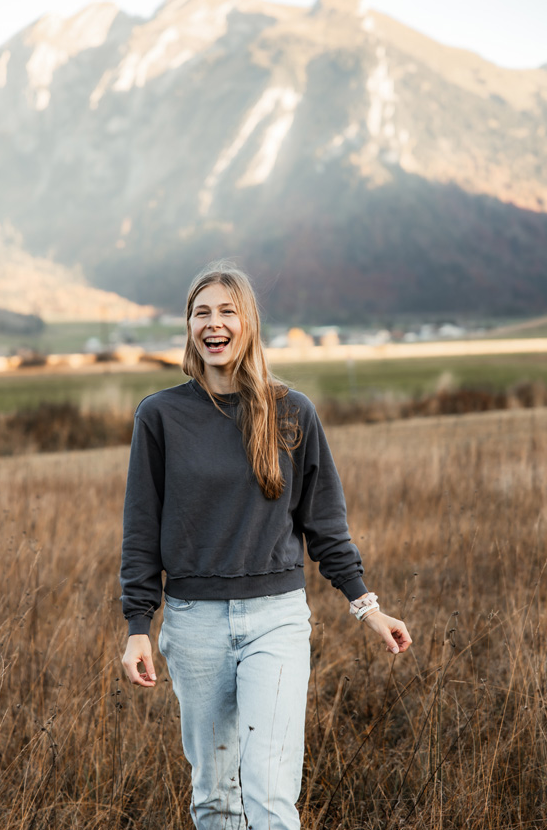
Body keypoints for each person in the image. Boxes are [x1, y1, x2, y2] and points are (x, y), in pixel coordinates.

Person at [120, 262, 412, 830]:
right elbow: (140, 532)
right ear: (188, 326)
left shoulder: (292, 413)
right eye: (201, 312)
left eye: (227, 310)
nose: (214, 323)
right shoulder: (159, 417)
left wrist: (367, 608)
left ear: (249, 322)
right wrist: (138, 626)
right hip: (193, 624)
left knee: (272, 795)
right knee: (214, 798)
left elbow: (325, 526)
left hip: (275, 622)